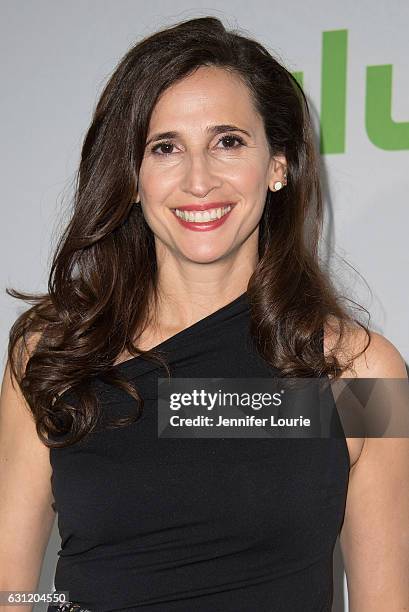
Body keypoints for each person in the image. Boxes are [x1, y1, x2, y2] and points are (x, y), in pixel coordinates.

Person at [0, 15, 408, 612]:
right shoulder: (54, 352)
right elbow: (10, 590)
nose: (198, 180)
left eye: (228, 142)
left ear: (279, 164)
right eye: (165, 148)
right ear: (133, 177)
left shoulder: (363, 373)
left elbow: (386, 603)